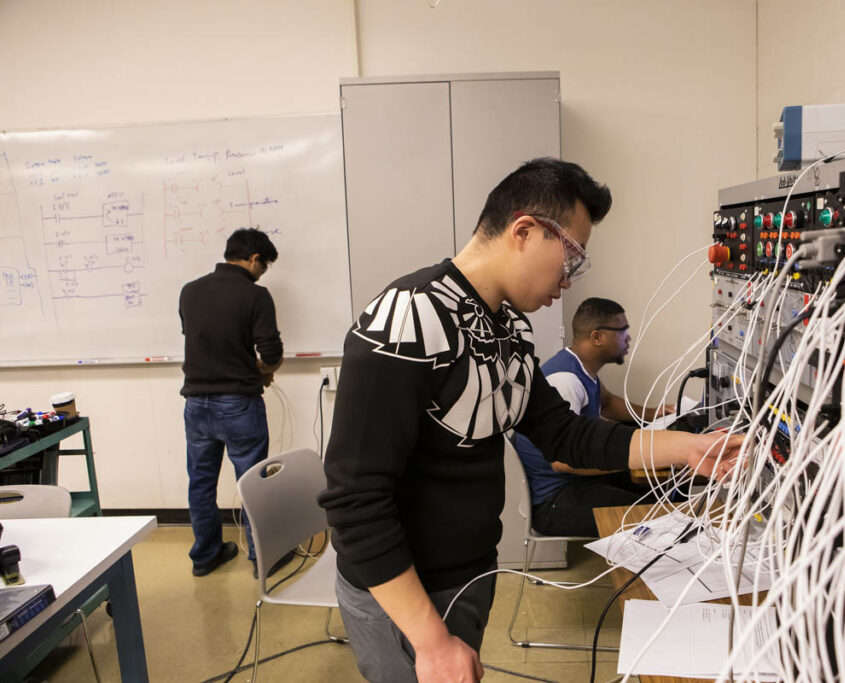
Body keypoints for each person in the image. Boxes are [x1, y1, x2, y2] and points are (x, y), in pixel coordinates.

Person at [318, 158, 743, 683]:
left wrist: (685, 448)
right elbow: (355, 502)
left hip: (468, 574)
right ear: (524, 230)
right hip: (404, 593)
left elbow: (565, 435)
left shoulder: (509, 330)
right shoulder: (407, 321)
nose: (569, 280)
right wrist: (430, 641)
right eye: (572, 257)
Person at [513, 297, 674, 538]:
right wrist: (632, 460)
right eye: (622, 331)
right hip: (554, 500)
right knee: (652, 516)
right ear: (597, 337)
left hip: (571, 483)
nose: (628, 338)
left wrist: (656, 413)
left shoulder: (579, 366)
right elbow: (563, 462)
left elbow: (607, 402)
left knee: (659, 491)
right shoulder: (565, 381)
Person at [179, 227, 282, 577]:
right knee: (252, 481)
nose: (262, 272)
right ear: (254, 259)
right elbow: (270, 352)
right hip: (238, 405)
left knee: (201, 482)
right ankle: (261, 561)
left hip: (195, 405)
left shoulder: (189, 292)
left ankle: (205, 556)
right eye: (263, 265)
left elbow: (200, 340)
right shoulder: (256, 295)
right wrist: (264, 371)